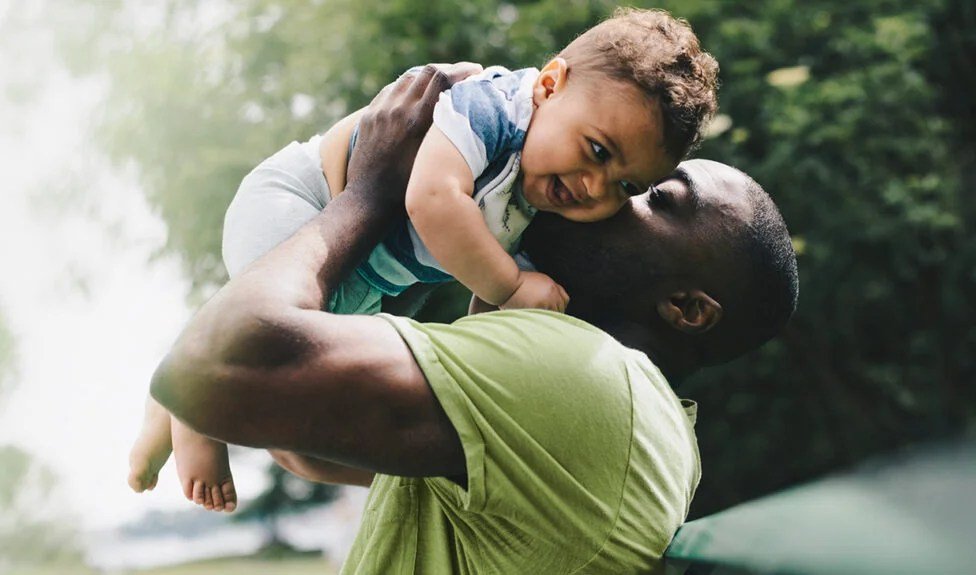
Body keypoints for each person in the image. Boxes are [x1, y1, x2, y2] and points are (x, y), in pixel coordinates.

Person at [149, 64, 799, 573]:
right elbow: (299, 436)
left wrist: (370, 191)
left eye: (647, 193)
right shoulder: (620, 416)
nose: (606, 195)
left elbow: (214, 370)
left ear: (687, 309)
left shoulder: (582, 379)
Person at [128, 7, 720, 513]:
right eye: (597, 150)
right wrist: (514, 285)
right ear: (549, 84)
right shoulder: (494, 109)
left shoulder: (545, 193)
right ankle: (198, 423)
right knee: (259, 334)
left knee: (313, 365)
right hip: (304, 201)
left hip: (363, 268)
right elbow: (432, 200)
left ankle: (170, 389)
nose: (595, 185)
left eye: (623, 185)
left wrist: (492, 335)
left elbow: (484, 293)